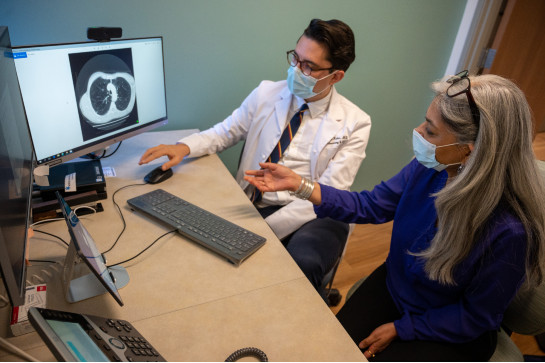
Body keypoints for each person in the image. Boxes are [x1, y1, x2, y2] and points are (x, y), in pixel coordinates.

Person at [244, 72, 545, 361]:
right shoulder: (429, 168)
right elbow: (371, 205)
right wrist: (300, 185)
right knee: (329, 349)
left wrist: (403, 329)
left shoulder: (511, 231)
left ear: (468, 152)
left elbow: (475, 316)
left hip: (451, 327)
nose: (417, 133)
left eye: (430, 130)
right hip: (397, 287)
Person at [139, 19, 371, 301]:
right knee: (196, 250)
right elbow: (226, 131)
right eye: (295, 58)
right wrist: (184, 148)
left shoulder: (355, 123)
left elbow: (331, 190)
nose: (296, 70)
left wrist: (263, 231)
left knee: (304, 263)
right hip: (256, 201)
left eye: (308, 66)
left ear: (335, 76)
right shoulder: (267, 93)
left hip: (314, 211)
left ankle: (298, 313)